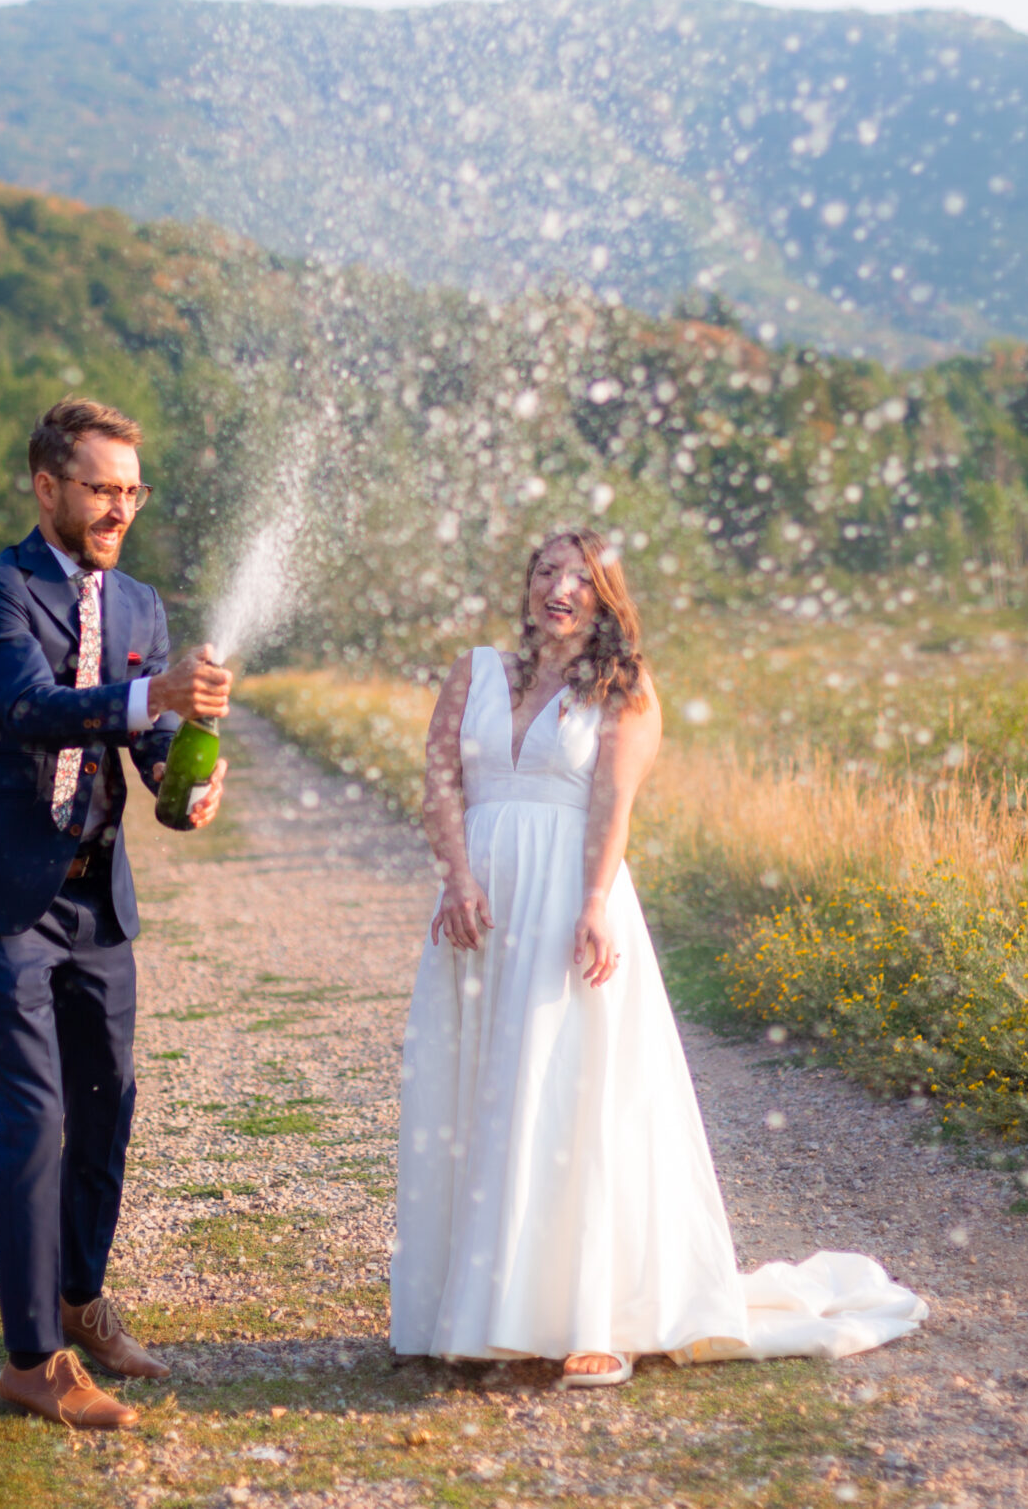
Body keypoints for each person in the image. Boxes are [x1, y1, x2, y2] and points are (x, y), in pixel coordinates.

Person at [390, 529, 927, 1384]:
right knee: (482, 1091)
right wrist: (456, 878)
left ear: (606, 596)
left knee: (573, 1097)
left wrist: (595, 904)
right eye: (545, 572)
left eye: (580, 578)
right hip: (477, 908)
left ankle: (595, 1316)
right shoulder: (476, 670)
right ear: (526, 584)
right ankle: (479, 1307)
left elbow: (612, 802)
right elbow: (440, 781)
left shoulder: (623, 686)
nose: (558, 589)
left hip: (568, 896)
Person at [0, 396, 232, 1431]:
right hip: (0, 896)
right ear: (47, 485)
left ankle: (82, 1300)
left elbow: (145, 748)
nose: (118, 507)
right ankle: (29, 1358)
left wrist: (185, 785)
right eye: (100, 487)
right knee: (36, 1117)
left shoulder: (139, 604)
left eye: (132, 489)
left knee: (108, 1106)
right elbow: (32, 709)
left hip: (98, 898)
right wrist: (152, 701)